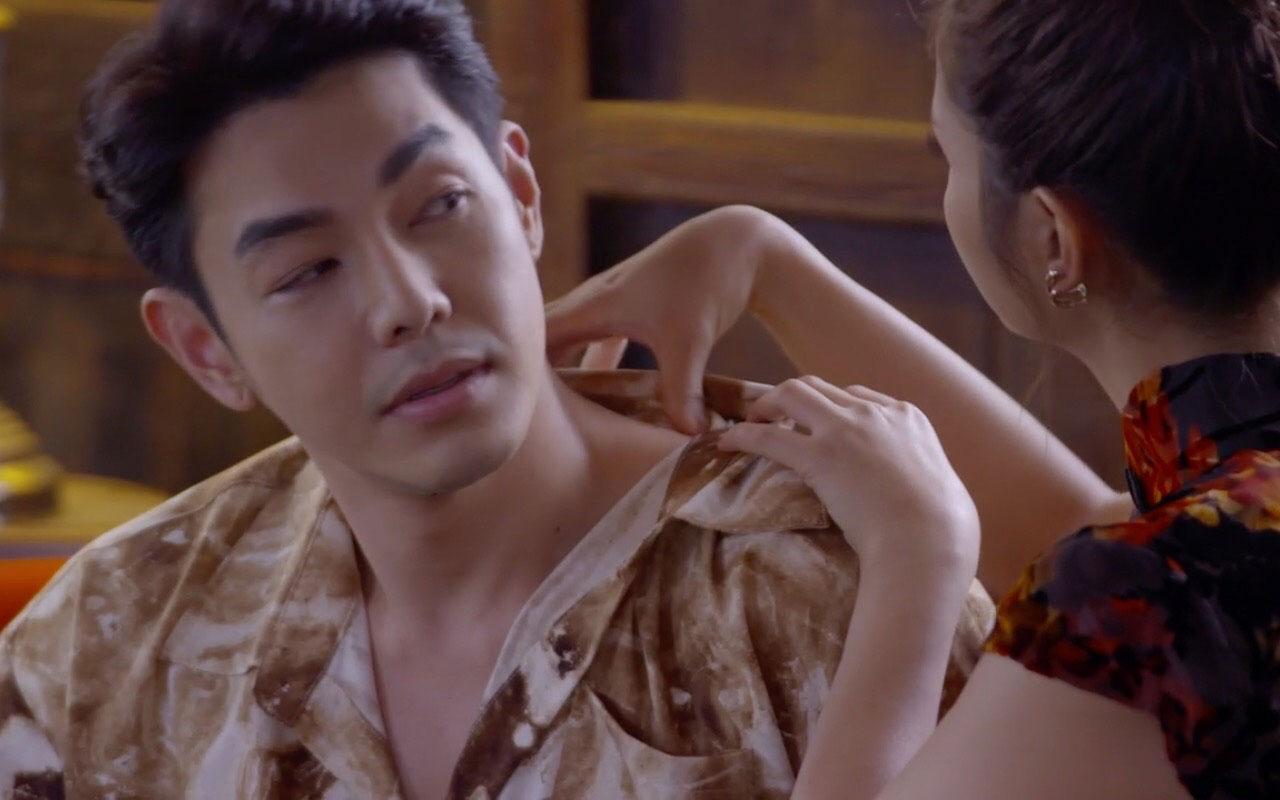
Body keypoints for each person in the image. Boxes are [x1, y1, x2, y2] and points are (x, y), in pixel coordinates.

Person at [0, 1, 994, 798]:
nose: (408, 301)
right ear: (206, 349)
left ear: (519, 193)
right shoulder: (108, 644)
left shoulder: (820, 582)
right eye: (307, 271)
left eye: (440, 206)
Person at [547, 1, 1280, 798]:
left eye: (948, 157)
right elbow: (1103, 532)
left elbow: (1141, 589)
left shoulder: (1152, 600)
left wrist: (916, 551)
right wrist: (762, 260)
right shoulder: (1216, 531)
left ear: (1052, 238)